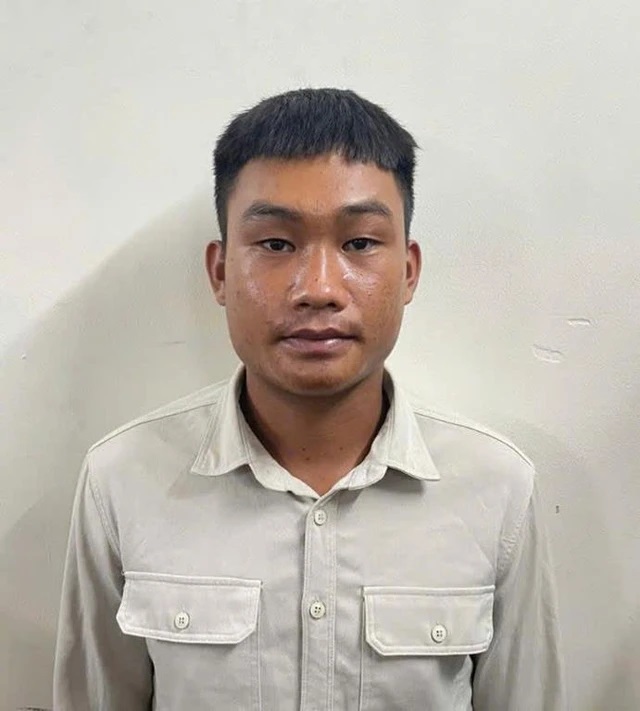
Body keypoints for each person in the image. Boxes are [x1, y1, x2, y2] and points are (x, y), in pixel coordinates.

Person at [53, 88, 565, 710]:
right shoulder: (122, 481)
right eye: (276, 244)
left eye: (359, 243)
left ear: (408, 271)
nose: (318, 288)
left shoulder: (496, 489)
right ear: (220, 272)